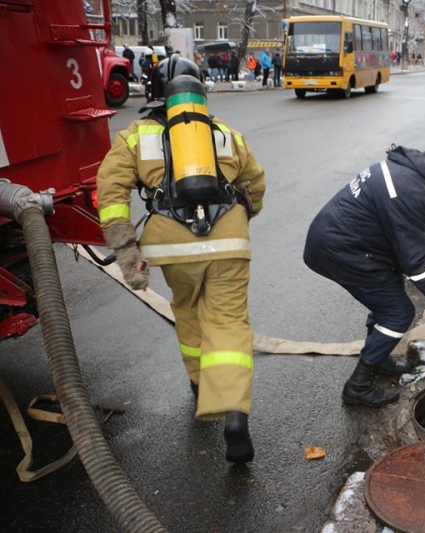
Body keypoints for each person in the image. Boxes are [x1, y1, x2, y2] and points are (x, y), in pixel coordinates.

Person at [95, 55, 267, 463]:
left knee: (187, 308)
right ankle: (235, 412)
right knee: (228, 320)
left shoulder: (135, 137)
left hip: (171, 248)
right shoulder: (225, 133)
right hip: (228, 242)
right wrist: (246, 216)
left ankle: (198, 384)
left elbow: (111, 190)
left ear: (154, 93)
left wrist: (124, 246)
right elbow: (255, 184)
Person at [303, 147, 425, 408]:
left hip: (344, 242)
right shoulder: (409, 192)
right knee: (397, 311)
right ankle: (358, 386)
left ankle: (378, 357)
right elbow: (417, 262)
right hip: (340, 249)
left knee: (389, 293)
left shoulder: (413, 175)